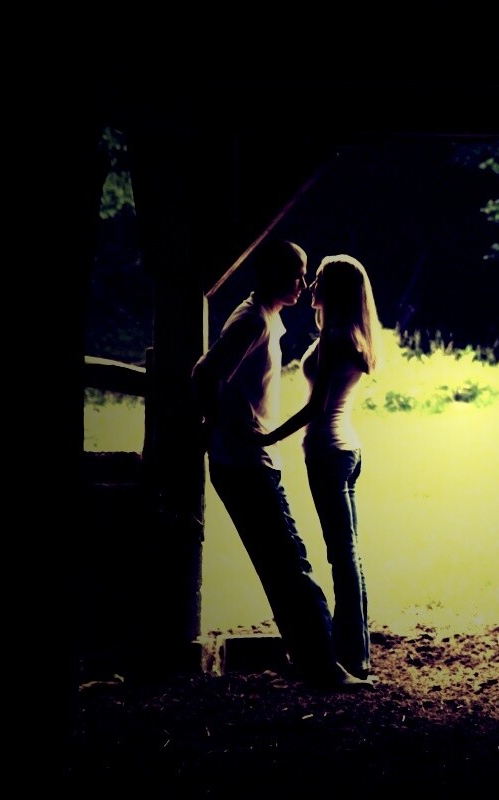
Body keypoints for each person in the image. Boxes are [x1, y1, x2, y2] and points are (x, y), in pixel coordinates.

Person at [190, 239, 372, 690]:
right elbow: (206, 373)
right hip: (245, 462)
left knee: (286, 563)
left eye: (307, 273)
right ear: (271, 274)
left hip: (255, 458)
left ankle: (317, 659)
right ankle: (325, 666)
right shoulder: (253, 320)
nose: (304, 283)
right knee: (291, 564)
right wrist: (219, 427)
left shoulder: (266, 319)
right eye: (296, 273)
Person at [255, 254, 383, 681]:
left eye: (320, 280)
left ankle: (352, 658)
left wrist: (268, 437)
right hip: (346, 450)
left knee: (342, 556)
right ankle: (354, 652)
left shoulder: (334, 340)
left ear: (336, 291)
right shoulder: (349, 336)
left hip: (328, 454)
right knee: (347, 554)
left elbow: (315, 409)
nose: (311, 286)